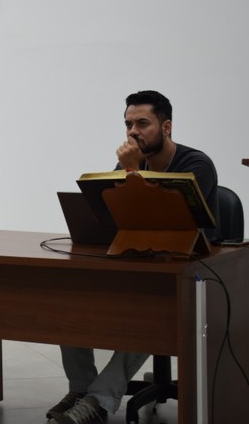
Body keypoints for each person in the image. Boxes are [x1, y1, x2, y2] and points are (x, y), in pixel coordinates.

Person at [47, 90, 219, 424]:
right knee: (71, 301)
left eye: (142, 123)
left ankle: (98, 402)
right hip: (141, 265)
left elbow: (167, 221)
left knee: (149, 314)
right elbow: (120, 221)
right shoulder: (129, 164)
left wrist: (131, 170)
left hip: (189, 273)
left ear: (166, 127)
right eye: (128, 124)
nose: (132, 132)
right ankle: (81, 389)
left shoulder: (197, 165)